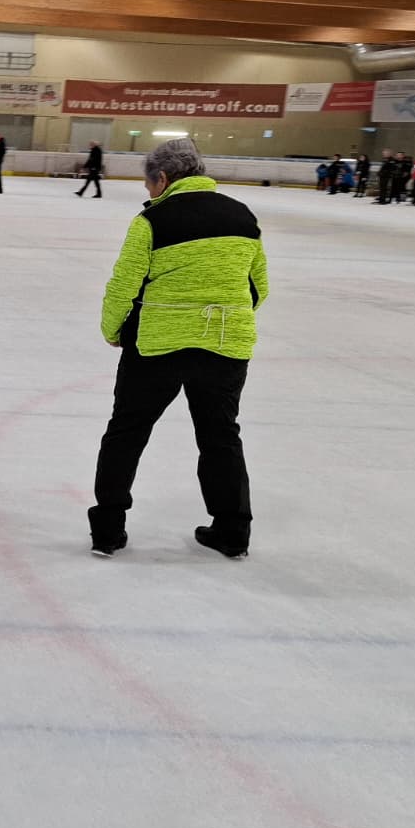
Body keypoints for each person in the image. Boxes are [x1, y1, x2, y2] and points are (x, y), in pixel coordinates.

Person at [87, 139, 269, 559]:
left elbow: (124, 285)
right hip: (225, 344)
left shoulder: (151, 220)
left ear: (163, 178)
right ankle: (232, 531)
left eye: (149, 184)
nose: (148, 192)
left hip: (157, 345)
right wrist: (227, 315)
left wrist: (112, 329)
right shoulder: (242, 215)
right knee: (221, 436)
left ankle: (108, 531)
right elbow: (258, 286)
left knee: (126, 433)